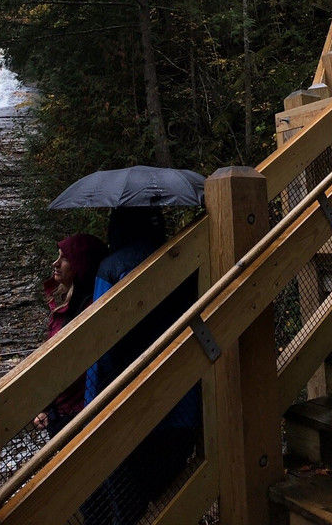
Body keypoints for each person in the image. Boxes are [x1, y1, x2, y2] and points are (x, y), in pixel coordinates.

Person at [81, 207, 201, 524]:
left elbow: (100, 344)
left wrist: (90, 409)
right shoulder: (184, 256)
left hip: (128, 405)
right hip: (182, 400)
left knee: (128, 504)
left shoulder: (111, 268)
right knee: (171, 494)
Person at [34, 233, 108, 438]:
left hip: (76, 413)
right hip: (60, 409)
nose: (55, 263)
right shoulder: (63, 304)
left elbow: (64, 365)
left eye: (64, 258)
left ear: (80, 263)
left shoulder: (88, 310)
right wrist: (45, 407)